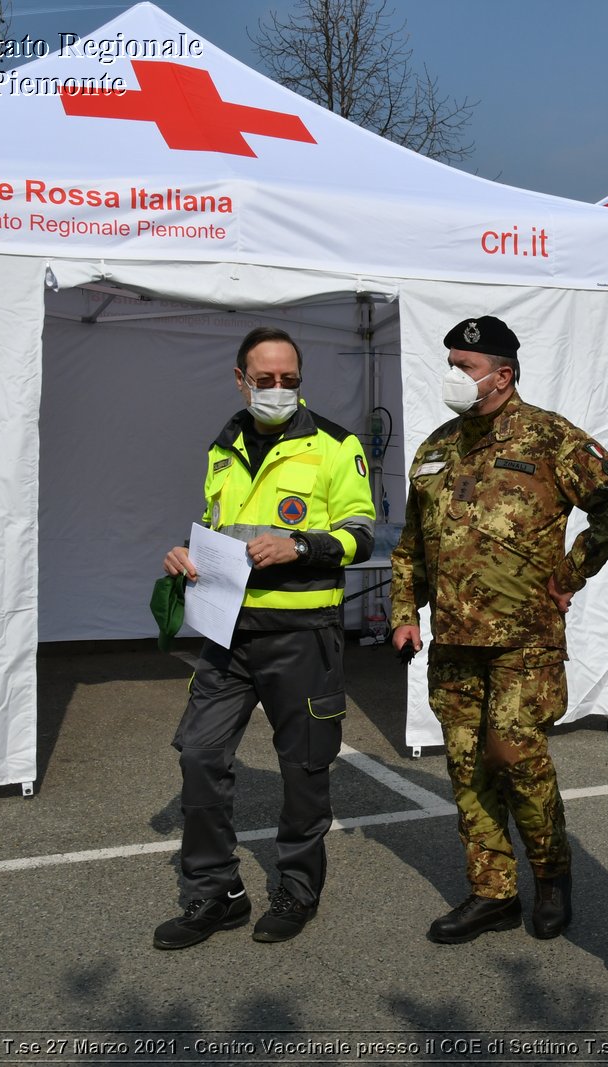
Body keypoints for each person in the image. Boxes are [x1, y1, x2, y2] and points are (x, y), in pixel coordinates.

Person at [391, 315, 608, 944]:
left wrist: (574, 571)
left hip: (523, 643)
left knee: (518, 759)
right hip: (454, 643)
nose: (452, 375)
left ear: (502, 375)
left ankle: (551, 877)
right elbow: (410, 547)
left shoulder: (550, 438)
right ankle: (492, 893)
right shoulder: (435, 447)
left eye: (465, 367)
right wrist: (402, 613)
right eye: (449, 363)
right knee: (467, 768)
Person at [152, 325, 375, 950]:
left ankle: (297, 890)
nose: (278, 389)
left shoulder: (336, 444)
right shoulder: (222, 448)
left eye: (290, 380)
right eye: (266, 379)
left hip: (303, 635)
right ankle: (214, 893)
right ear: (240, 378)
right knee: (199, 754)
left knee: (303, 768)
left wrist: (300, 544)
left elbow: (363, 533)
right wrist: (186, 551)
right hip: (228, 633)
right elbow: (215, 526)